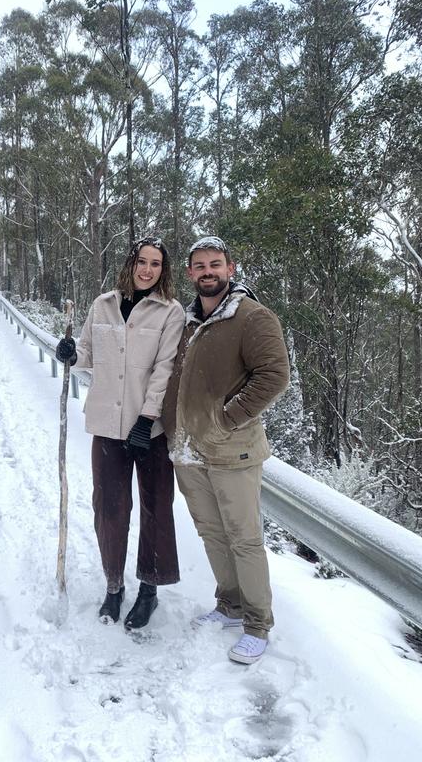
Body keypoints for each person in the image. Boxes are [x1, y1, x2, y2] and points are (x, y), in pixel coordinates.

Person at [162, 235, 290, 664]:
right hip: (187, 450)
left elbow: (273, 376)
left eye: (215, 264)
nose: (208, 272)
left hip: (232, 450)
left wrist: (226, 418)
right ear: (189, 273)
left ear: (231, 269)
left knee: (245, 538)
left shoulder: (253, 318)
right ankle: (230, 605)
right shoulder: (186, 321)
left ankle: (258, 622)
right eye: (199, 266)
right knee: (211, 533)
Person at [56, 237, 185, 629]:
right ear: (129, 264)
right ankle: (114, 586)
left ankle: (149, 590)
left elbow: (164, 369)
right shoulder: (102, 305)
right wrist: (71, 354)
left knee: (156, 509)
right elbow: (89, 355)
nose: (147, 270)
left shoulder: (170, 312)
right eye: (142, 261)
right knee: (109, 509)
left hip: (150, 429)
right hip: (108, 427)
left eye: (156, 264)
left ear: (164, 270)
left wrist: (147, 419)